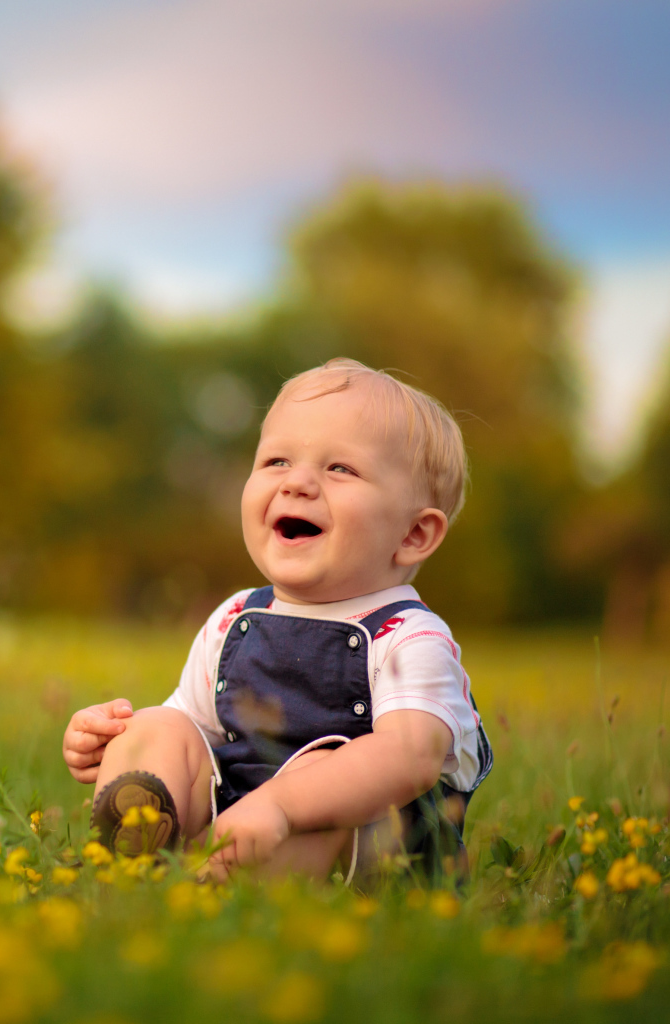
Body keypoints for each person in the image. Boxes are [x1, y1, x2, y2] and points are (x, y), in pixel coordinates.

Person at [61, 358, 492, 881]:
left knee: (330, 763)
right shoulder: (235, 618)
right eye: (277, 462)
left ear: (413, 535)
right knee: (159, 725)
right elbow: (198, 734)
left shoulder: (408, 638)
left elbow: (411, 756)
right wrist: (115, 742)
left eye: (340, 469)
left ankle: (211, 886)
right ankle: (139, 846)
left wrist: (283, 806)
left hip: (371, 856)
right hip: (242, 823)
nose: (298, 484)